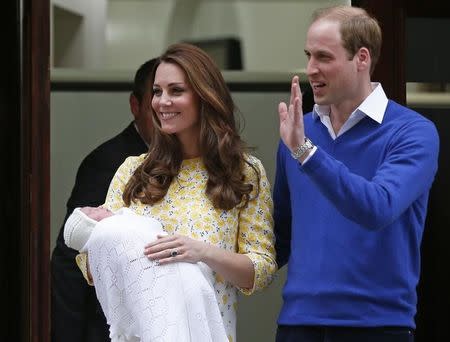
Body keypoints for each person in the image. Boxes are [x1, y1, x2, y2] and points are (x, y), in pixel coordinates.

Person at [68, 43, 277, 342]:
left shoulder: (244, 171)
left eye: (176, 90)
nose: (162, 101)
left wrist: (202, 252)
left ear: (205, 96)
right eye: (156, 91)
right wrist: (98, 236)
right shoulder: (133, 170)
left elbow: (261, 270)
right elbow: (94, 265)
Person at [273, 5, 439, 342]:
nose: (310, 69)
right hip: (297, 325)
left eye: (324, 57)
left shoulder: (412, 133)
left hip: (377, 327)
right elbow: (278, 235)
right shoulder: (301, 134)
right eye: (308, 56)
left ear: (361, 58)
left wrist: (306, 152)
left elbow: (377, 207)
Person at [50, 58, 156, 342]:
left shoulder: (189, 164)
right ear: (136, 106)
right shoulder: (109, 163)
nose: (164, 108)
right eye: (155, 97)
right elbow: (70, 258)